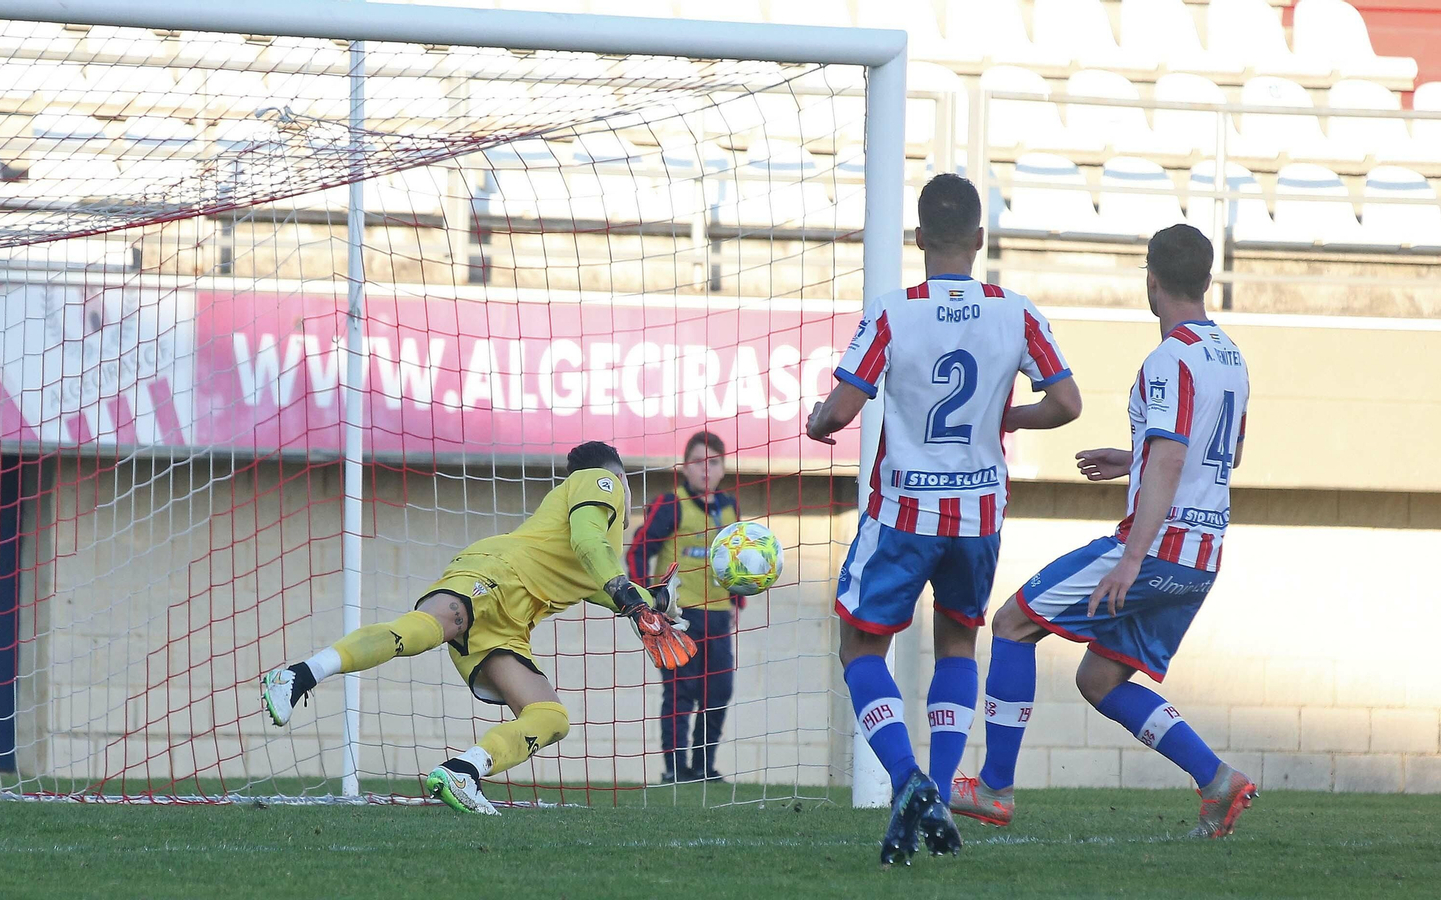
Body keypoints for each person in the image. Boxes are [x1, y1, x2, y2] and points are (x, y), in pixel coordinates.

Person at [806, 173, 1083, 864]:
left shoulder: (894, 312)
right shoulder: (1016, 312)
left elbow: (841, 410)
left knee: (859, 647)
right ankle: (945, 781)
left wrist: (819, 422)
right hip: (979, 515)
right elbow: (1068, 404)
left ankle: (908, 781)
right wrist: (1006, 416)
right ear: (981, 239)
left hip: (904, 510)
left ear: (920, 239)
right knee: (958, 643)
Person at [952, 224, 1256, 839]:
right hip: (1202, 557)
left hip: (1155, 549)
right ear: (1205, 278)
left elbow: (1174, 458)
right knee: (1099, 678)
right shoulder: (1230, 355)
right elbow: (1228, 453)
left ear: (1151, 279)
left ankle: (994, 789)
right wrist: (1135, 456)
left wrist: (1129, 559)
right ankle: (1218, 781)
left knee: (1012, 623)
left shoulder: (1168, 359)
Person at [260, 441, 697, 815]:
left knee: (550, 717)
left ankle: (463, 771)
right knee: (433, 627)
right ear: (619, 478)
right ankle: (297, 675)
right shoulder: (597, 481)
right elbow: (590, 546)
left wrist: (654, 600)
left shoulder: (597, 552)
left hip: (511, 623)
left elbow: (598, 582)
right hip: (497, 574)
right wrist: (632, 598)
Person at [628, 430, 740, 784]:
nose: (706, 470)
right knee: (681, 690)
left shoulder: (729, 506)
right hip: (679, 617)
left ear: (723, 468)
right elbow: (638, 551)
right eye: (698, 462)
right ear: (684, 467)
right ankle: (675, 769)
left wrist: (737, 598)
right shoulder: (670, 504)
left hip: (719, 615)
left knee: (718, 691)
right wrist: (645, 603)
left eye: (714, 462)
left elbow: (735, 559)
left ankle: (704, 766)